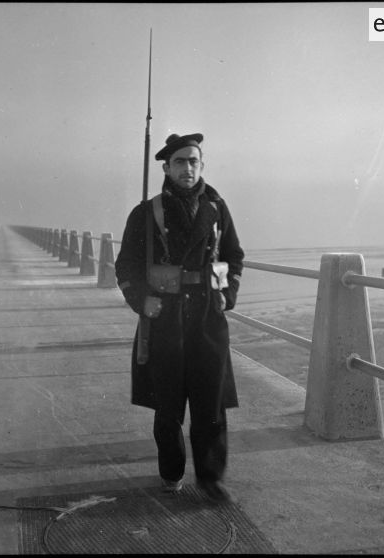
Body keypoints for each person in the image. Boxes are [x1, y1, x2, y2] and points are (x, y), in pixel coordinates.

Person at [115, 132, 244, 502]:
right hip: (165, 318)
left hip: (207, 318)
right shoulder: (146, 212)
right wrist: (142, 301)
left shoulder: (216, 207)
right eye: (180, 162)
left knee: (211, 403)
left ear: (201, 165)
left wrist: (227, 294)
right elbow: (126, 265)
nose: (188, 168)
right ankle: (171, 473)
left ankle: (211, 478)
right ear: (167, 168)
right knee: (168, 405)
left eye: (193, 161)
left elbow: (233, 255)